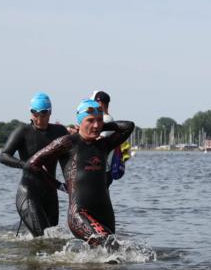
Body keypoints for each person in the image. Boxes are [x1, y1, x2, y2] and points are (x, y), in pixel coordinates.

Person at [27, 100, 134, 247]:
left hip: (105, 211)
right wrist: (58, 185)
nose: (96, 125)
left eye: (99, 121)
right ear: (79, 122)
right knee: (110, 247)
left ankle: (80, 269)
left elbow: (128, 126)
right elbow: (32, 164)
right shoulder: (67, 143)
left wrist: (102, 124)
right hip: (79, 213)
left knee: (106, 258)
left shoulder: (104, 144)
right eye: (90, 121)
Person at [0, 92, 69, 237]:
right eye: (35, 114)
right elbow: (4, 156)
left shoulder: (60, 131)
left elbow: (69, 158)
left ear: (50, 113)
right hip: (28, 192)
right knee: (42, 236)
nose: (38, 119)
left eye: (43, 115)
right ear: (31, 113)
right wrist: (25, 164)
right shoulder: (22, 132)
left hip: (50, 193)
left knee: (53, 238)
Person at [91, 90, 131, 187]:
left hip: (103, 171)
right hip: (101, 170)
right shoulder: (103, 119)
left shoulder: (107, 119)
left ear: (99, 103)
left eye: (93, 103)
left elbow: (97, 140)